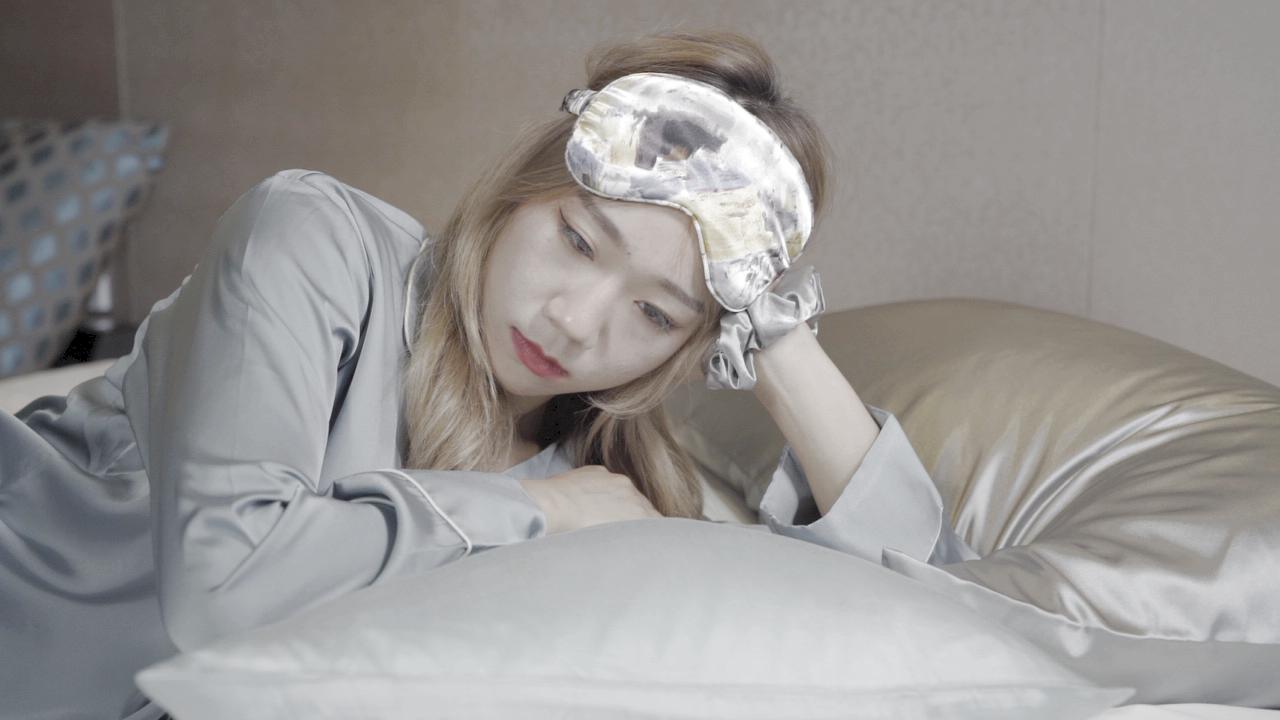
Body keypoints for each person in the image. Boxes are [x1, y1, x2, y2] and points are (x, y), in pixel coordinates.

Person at [0, 30, 976, 720]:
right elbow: (223, 584)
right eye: (577, 240)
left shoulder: (609, 477)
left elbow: (938, 619)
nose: (574, 322)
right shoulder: (314, 241)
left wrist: (775, 339)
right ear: (523, 191)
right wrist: (537, 514)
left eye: (654, 314)